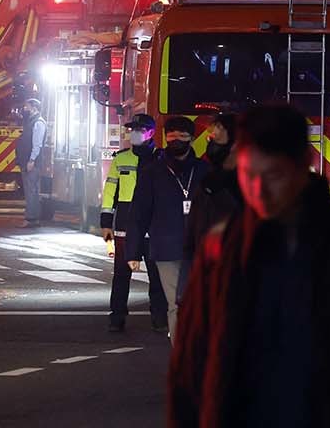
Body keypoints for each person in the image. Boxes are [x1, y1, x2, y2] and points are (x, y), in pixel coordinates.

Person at [170, 104, 330, 428]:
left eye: (274, 175)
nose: (260, 190)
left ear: (304, 164)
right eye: (249, 175)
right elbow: (192, 359)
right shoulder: (222, 246)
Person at [124, 115, 210, 341]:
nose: (176, 140)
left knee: (200, 303)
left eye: (182, 136)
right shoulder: (153, 172)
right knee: (177, 302)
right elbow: (139, 213)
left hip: (201, 249)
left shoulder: (204, 171)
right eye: (171, 136)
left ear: (192, 139)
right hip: (166, 249)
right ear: (165, 137)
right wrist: (132, 251)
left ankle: (196, 349)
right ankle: (182, 355)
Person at [100, 113, 168, 332]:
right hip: (125, 225)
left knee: (156, 276)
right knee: (121, 274)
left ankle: (160, 317)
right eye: (132, 130)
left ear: (151, 133)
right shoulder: (121, 159)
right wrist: (106, 221)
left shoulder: (163, 158)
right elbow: (110, 190)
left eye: (140, 129)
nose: (135, 134)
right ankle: (116, 317)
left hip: (153, 224)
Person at [184, 112, 243, 281]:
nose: (213, 133)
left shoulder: (242, 173)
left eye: (220, 128)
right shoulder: (210, 170)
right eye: (214, 127)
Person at [18, 97, 48, 227]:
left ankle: (31, 218)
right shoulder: (31, 122)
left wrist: (31, 160)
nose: (25, 109)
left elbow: (37, 144)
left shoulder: (38, 123)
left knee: (32, 190)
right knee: (30, 190)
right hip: (27, 161)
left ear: (34, 108)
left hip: (32, 162)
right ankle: (32, 217)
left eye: (27, 106)